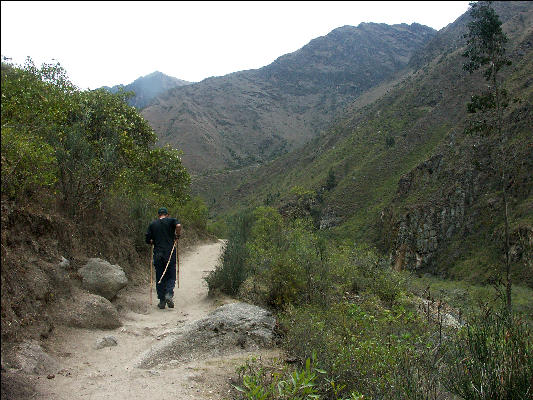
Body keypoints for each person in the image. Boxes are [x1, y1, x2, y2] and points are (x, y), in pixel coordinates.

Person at [145, 207, 182, 309]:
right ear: (167, 214)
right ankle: (169, 294)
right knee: (171, 275)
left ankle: (162, 301)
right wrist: (177, 235)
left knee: (160, 276)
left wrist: (153, 241)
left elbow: (148, 240)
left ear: (158, 215)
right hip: (169, 253)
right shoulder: (171, 221)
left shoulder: (153, 224)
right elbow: (178, 225)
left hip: (158, 254)